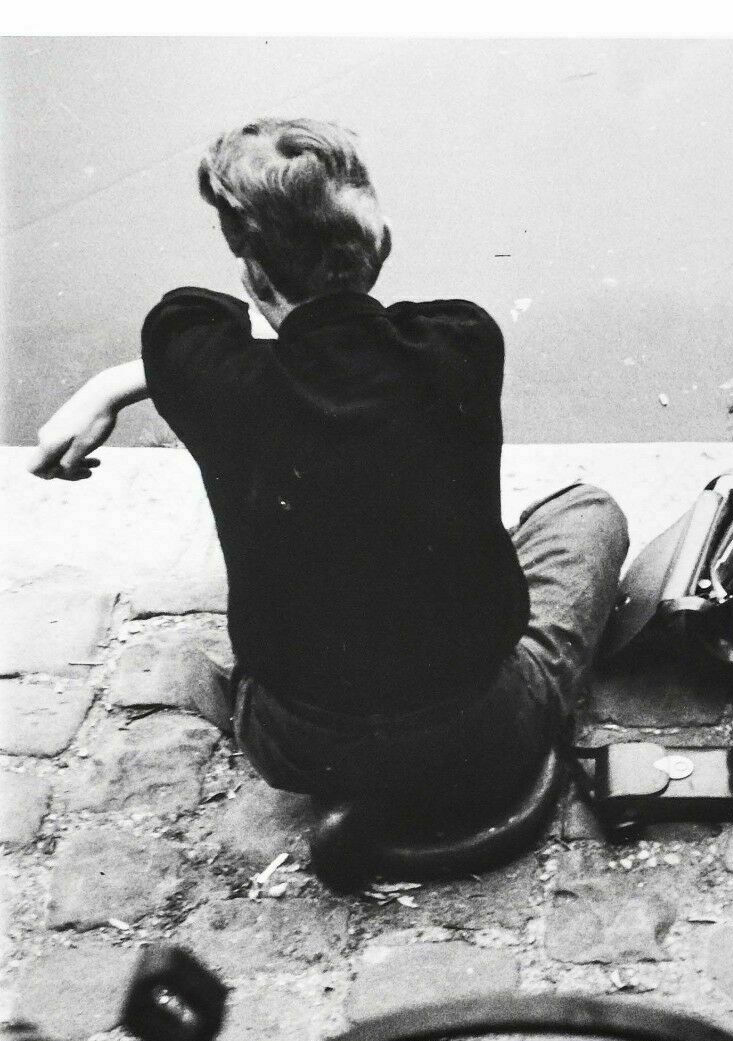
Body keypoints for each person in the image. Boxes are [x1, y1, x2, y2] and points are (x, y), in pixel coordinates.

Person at [30, 117, 628, 839]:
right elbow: (366, 346)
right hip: (482, 728)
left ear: (248, 264)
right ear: (379, 244)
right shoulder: (462, 343)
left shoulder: (206, 371)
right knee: (588, 513)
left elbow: (188, 326)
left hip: (295, 744)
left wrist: (111, 385)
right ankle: (445, 781)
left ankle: (336, 776)